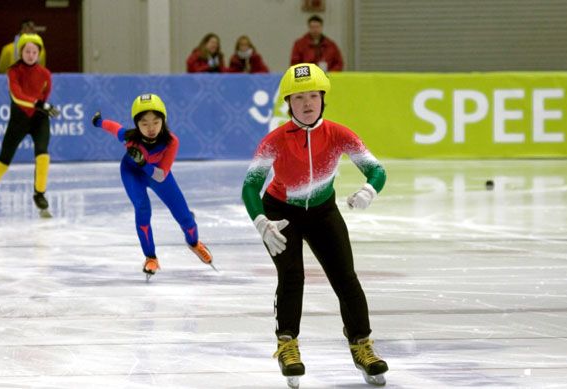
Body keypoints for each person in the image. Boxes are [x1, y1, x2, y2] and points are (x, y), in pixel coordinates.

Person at [241, 63, 388, 387]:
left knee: (345, 278)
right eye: (298, 98)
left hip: (322, 212)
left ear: (323, 99)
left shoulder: (338, 134)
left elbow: (377, 170)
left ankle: (361, 344)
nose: (306, 104)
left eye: (312, 96)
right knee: (292, 277)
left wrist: (369, 190)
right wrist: (261, 222)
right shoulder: (275, 140)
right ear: (288, 104)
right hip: (280, 214)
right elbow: (250, 186)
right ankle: (287, 345)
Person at [91, 93, 214, 279]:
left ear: (163, 121)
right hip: (132, 174)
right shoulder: (129, 137)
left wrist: (143, 163)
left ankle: (195, 243)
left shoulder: (171, 142)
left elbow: (160, 175)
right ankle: (151, 258)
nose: (151, 128)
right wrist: (98, 122)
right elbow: (113, 127)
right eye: (144, 124)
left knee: (185, 217)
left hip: (157, 174)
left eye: (156, 122)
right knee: (142, 209)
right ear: (136, 124)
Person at [0, 33, 59, 217]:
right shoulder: (13, 71)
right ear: (21, 53)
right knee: (3, 160)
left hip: (39, 119)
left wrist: (41, 106)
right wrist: (38, 104)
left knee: (43, 155)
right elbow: (17, 95)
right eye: (27, 51)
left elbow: (45, 95)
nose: (30, 55)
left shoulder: (45, 74)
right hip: (18, 120)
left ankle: (39, 194)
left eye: (34, 51)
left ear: (39, 54)